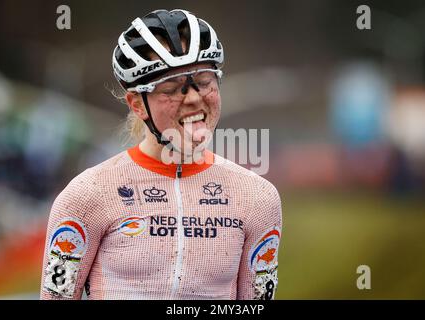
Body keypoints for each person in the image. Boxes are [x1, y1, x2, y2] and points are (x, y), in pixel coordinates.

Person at [40, 9, 282, 300]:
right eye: (171, 88)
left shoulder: (257, 199)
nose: (193, 97)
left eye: (204, 81)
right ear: (137, 104)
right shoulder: (87, 195)